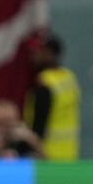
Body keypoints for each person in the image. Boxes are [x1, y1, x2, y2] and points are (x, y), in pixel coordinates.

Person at [24, 33, 81, 161]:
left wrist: (29, 148)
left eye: (38, 51)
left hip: (46, 155)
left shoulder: (44, 83)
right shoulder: (69, 77)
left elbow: (39, 125)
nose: (33, 56)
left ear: (49, 53)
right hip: (70, 153)